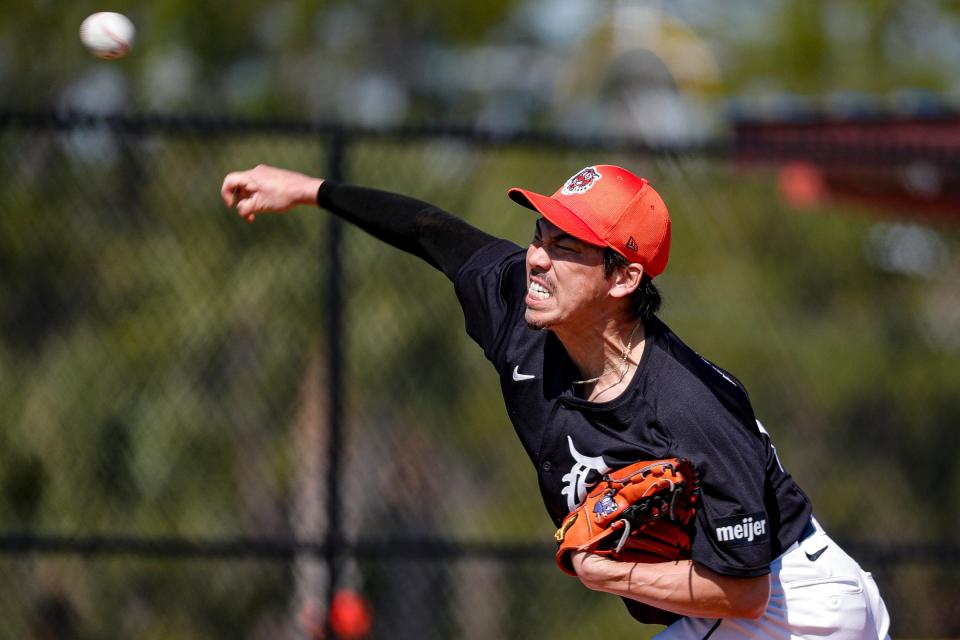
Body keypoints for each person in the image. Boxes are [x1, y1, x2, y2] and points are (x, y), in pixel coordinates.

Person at [220, 163, 891, 638]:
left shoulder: (688, 408)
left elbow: (744, 592)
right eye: (541, 234)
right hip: (728, 607)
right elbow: (432, 231)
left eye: (566, 246)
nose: (536, 258)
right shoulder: (517, 302)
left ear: (624, 276)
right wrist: (308, 190)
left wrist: (603, 571)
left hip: (792, 606)